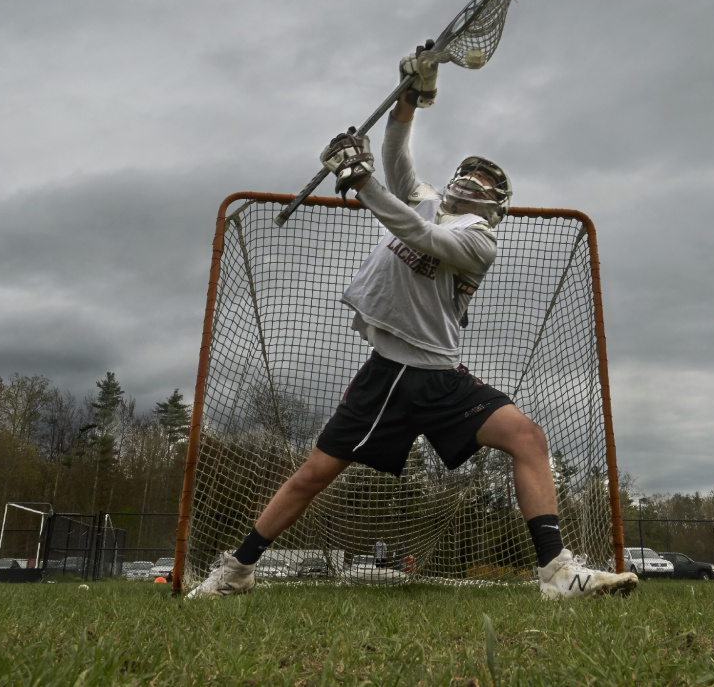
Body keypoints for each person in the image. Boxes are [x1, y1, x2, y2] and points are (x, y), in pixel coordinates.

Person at [188, 42, 638, 601]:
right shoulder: (425, 199)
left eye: (488, 184)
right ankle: (236, 569)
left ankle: (556, 574)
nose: (475, 183)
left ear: (497, 205)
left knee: (528, 437)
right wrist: (409, 98)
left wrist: (363, 183)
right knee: (314, 475)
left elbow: (418, 235)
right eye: (470, 174)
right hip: (394, 372)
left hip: (441, 375)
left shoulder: (479, 240)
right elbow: (397, 155)